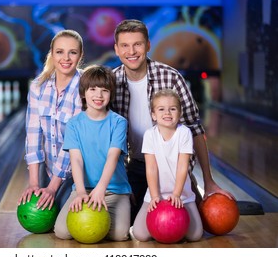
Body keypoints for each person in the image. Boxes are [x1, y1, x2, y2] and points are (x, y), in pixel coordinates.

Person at [111, 19, 235, 224]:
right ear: (116, 49)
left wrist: (209, 180)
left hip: (174, 168)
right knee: (124, 226)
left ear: (148, 45)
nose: (131, 51)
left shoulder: (171, 77)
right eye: (125, 45)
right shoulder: (112, 82)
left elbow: (194, 129)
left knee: (195, 225)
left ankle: (190, 186)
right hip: (134, 169)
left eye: (138, 44)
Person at [54, 65, 131, 242]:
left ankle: (125, 211)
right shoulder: (74, 124)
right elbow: (76, 160)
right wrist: (81, 192)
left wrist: (101, 189)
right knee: (62, 232)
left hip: (114, 191)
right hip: (84, 190)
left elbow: (113, 157)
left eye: (105, 90)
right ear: (83, 93)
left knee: (119, 236)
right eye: (93, 89)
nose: (99, 95)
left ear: (111, 94)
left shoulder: (119, 122)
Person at [17, 29, 84, 211]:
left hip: (78, 173)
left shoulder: (85, 87)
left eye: (73, 52)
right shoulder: (38, 86)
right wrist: (34, 183)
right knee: (43, 213)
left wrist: (53, 188)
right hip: (48, 169)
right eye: (60, 52)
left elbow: (73, 141)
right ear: (52, 54)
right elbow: (33, 135)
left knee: (63, 224)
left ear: (80, 56)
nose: (66, 58)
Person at [131, 89, 203, 242]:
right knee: (140, 234)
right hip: (156, 194)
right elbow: (151, 168)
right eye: (161, 109)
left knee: (195, 235)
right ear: (153, 114)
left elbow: (183, 167)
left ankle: (174, 228)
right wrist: (155, 196)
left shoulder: (184, 133)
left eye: (172, 109)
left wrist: (176, 195)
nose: (167, 113)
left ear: (179, 112)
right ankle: (161, 228)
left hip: (181, 195)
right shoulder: (150, 135)